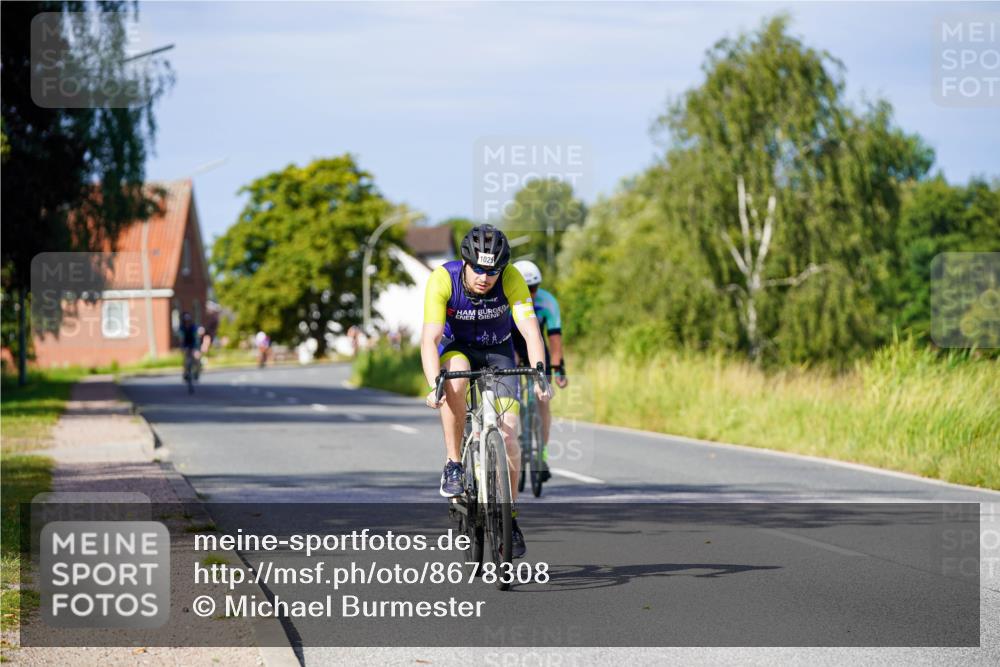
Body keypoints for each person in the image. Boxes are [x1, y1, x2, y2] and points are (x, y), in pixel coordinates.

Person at [421, 224, 550, 559]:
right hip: (456, 348)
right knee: (458, 377)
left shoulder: (511, 279)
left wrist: (540, 373)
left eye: (492, 271)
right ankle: (453, 463)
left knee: (509, 438)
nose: (484, 277)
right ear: (465, 261)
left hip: (498, 351)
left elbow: (530, 330)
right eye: (477, 268)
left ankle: (510, 516)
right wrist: (434, 381)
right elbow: (430, 338)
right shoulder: (443, 278)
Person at [510, 260, 568, 482]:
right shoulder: (506, 299)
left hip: (537, 348)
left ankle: (541, 453)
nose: (532, 293)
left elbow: (554, 338)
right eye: (527, 289)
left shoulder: (548, 302)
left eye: (534, 288)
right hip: (512, 347)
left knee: (543, 400)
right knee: (510, 397)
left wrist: (558, 368)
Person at [178, 312, 202, 381]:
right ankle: (185, 373)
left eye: (188, 320)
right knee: (186, 359)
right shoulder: (182, 328)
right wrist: (182, 347)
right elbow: (181, 338)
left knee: (197, 358)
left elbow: (196, 337)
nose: (187, 322)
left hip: (193, 344)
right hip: (185, 344)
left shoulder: (193, 327)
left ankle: (196, 372)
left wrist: (197, 348)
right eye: (186, 321)